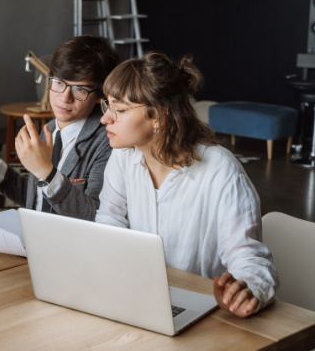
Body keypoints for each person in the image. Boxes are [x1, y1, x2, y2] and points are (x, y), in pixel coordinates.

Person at [96, 52, 278, 318]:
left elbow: (247, 256)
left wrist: (248, 289)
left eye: (120, 110)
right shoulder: (123, 156)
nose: (105, 118)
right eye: (107, 105)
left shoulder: (221, 171)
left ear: (158, 116)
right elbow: (109, 220)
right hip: (139, 298)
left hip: (203, 312)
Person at [0, 36, 120, 255]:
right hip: (33, 247)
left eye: (80, 89)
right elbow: (39, 200)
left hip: (72, 255)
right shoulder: (50, 129)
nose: (64, 97)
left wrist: (47, 173)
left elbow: (95, 217)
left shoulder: (108, 142)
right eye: (59, 82)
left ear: (100, 95)